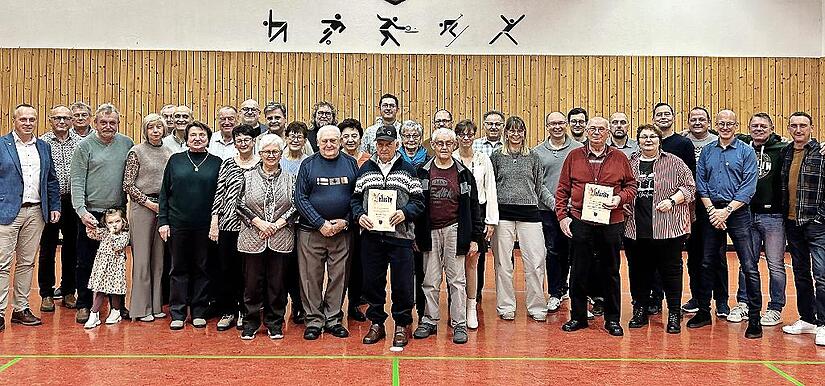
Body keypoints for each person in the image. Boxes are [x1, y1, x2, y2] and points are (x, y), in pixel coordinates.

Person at [556, 117, 637, 337]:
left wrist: (620, 199)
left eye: (601, 129)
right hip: (581, 222)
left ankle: (612, 320)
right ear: (587, 132)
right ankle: (578, 317)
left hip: (612, 222)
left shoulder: (619, 157)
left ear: (608, 132)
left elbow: (631, 186)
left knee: (610, 272)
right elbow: (562, 189)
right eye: (592, 129)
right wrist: (563, 217)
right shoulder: (574, 156)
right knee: (579, 271)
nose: (597, 132)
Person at [687, 109, 763, 340]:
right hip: (712, 211)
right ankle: (703, 311)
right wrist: (712, 211)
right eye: (721, 123)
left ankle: (755, 318)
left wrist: (726, 211)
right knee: (707, 262)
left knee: (749, 265)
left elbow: (749, 186)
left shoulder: (746, 152)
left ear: (736, 126)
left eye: (730, 123)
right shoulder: (708, 151)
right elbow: (701, 183)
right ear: (715, 126)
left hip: (738, 211)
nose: (725, 127)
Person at [352, 125, 424, 348]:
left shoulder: (408, 170)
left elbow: (419, 201)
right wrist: (359, 215)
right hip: (372, 236)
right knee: (372, 282)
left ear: (397, 145)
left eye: (388, 144)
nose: (384, 148)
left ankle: (402, 324)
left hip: (401, 237)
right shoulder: (366, 169)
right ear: (376, 145)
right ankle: (377, 323)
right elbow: (355, 199)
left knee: (402, 283)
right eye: (380, 144)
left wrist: (405, 212)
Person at [412, 128, 483, 344]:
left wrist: (475, 238)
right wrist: (415, 233)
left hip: (455, 230)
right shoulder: (421, 172)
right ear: (432, 146)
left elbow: (474, 207)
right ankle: (429, 320)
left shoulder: (464, 174)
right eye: (439, 143)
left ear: (454, 145)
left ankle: (459, 323)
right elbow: (414, 204)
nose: (444, 147)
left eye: (448, 143)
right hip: (429, 231)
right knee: (430, 280)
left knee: (457, 280)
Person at [623, 125, 695, 334]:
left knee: (671, 272)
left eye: (652, 136)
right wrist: (624, 203)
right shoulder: (630, 163)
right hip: (635, 228)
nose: (648, 140)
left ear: (659, 140)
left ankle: (673, 312)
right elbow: (620, 188)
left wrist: (672, 200)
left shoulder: (674, 162)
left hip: (668, 228)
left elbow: (690, 187)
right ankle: (640, 310)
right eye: (643, 136)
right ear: (638, 140)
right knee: (638, 272)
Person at [70, 103, 134, 324]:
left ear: (118, 123)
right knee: (86, 261)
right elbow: (76, 181)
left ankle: (118, 305)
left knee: (117, 261)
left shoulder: (127, 144)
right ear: (95, 123)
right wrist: (81, 211)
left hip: (117, 214)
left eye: (112, 122)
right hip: (91, 214)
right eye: (103, 122)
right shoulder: (84, 147)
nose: (108, 126)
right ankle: (84, 305)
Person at [294, 125, 359, 340]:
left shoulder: (350, 164)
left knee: (338, 277)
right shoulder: (308, 164)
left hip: (342, 232)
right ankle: (313, 320)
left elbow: (357, 197)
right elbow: (300, 198)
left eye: (333, 140)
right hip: (311, 232)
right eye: (325, 141)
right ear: (318, 143)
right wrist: (320, 222)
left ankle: (332, 319)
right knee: (310, 277)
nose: (329, 145)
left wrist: (346, 222)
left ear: (340, 141)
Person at [0, 104, 61, 331]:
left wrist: (54, 205)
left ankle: (21, 309)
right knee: (2, 264)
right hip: (6, 212)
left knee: (27, 263)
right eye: (23, 119)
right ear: (14, 120)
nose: (28, 123)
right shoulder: (1, 145)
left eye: (32, 119)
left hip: (36, 212)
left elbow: (51, 180)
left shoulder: (43, 147)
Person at [158, 121, 222, 330]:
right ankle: (177, 311)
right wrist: (163, 221)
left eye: (202, 135)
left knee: (202, 268)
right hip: (178, 224)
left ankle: (199, 311)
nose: (197, 138)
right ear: (186, 138)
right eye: (193, 135)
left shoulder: (216, 162)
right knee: (178, 268)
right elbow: (164, 194)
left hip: (205, 226)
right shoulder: (175, 160)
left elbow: (221, 196)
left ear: (208, 139)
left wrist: (216, 222)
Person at [489, 116, 553, 322]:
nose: (516, 135)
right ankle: (506, 306)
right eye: (512, 131)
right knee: (503, 264)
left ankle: (537, 306)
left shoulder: (533, 157)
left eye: (520, 131)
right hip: (503, 216)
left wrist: (556, 205)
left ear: (524, 133)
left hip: (530, 215)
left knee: (535, 262)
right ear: (505, 133)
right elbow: (491, 187)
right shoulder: (496, 157)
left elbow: (539, 187)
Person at [726, 113, 787, 327]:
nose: (759, 129)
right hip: (745, 214)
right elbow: (720, 132)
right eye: (755, 125)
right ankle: (744, 303)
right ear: (748, 128)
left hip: (773, 216)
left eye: (763, 126)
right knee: (746, 263)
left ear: (772, 128)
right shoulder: (742, 145)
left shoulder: (782, 149)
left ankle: (775, 307)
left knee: (775, 264)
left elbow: (805, 145)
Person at [235, 134, 298, 340]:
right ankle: (250, 322)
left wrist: (277, 225)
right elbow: (238, 204)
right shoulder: (247, 177)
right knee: (252, 284)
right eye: (267, 152)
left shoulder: (291, 178)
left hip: (281, 237)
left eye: (275, 152)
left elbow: (297, 205)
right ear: (260, 154)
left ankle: (275, 323)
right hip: (253, 237)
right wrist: (259, 223)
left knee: (277, 284)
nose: (271, 155)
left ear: (281, 154)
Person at [123, 113, 174, 322]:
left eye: (159, 127)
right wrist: (148, 203)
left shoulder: (169, 153)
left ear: (164, 130)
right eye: (151, 127)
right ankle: (141, 308)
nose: (155, 131)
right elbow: (128, 184)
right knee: (142, 258)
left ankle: (155, 305)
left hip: (162, 207)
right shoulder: (136, 152)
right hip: (142, 208)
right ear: (145, 130)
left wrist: (163, 205)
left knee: (159, 259)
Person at [209, 124, 260, 331]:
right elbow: (219, 192)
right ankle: (228, 310)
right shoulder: (228, 164)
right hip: (228, 224)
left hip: (252, 227)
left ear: (253, 141)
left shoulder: (261, 164)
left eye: (247, 139)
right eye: (239, 140)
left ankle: (245, 311)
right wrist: (215, 221)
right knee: (227, 270)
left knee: (248, 272)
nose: (243, 143)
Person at [780, 112, 825, 346]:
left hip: (816, 224)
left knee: (822, 275)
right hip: (792, 223)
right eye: (794, 126)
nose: (798, 130)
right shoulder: (786, 152)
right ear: (788, 129)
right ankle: (807, 318)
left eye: (803, 125)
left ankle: (824, 323)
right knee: (800, 274)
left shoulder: (821, 153)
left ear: (811, 127)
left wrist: (820, 218)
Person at [532, 111, 583, 312]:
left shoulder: (579, 149)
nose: (557, 127)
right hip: (548, 210)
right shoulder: (537, 152)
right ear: (547, 126)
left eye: (561, 123)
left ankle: (573, 290)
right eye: (552, 123)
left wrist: (571, 203)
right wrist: (556, 204)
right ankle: (555, 292)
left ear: (566, 125)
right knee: (553, 251)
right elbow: (538, 183)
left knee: (575, 251)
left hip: (575, 210)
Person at [681, 106, 728, 316]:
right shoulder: (683, 142)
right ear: (688, 122)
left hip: (714, 204)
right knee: (694, 255)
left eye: (702, 119)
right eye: (693, 119)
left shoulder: (718, 141)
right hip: (690, 205)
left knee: (716, 256)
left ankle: (722, 300)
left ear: (709, 122)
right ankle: (698, 297)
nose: (697, 122)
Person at [453, 119, 498, 329]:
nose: (466, 137)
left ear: (474, 136)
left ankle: (472, 305)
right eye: (462, 134)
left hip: (478, 213)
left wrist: (490, 220)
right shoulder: (450, 158)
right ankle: (457, 304)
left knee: (474, 259)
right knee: (455, 261)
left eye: (470, 134)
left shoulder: (483, 159)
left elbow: (490, 190)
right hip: (456, 213)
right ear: (457, 137)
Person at [38, 105, 82, 312]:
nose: (62, 122)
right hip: (49, 201)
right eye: (58, 118)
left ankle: (68, 291)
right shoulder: (41, 143)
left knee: (72, 248)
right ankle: (46, 293)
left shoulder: (81, 143)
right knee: (47, 248)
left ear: (72, 120)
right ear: (50, 120)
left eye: (66, 118)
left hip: (73, 201)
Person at [397, 119, 430, 322]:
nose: (411, 140)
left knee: (423, 271)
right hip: (398, 223)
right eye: (407, 136)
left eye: (415, 136)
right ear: (401, 138)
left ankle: (423, 312)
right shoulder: (394, 159)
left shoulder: (428, 160)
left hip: (422, 221)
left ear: (421, 138)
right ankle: (404, 313)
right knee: (403, 273)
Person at [470, 110, 505, 301]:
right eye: (490, 123)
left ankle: (503, 295)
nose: (493, 127)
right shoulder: (473, 146)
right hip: (478, 206)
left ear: (502, 126)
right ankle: (474, 293)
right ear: (484, 125)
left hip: (503, 206)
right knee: (478, 251)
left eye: (498, 124)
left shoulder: (508, 147)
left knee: (502, 255)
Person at [339, 118, 369, 321]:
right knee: (340, 266)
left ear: (360, 138)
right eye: (346, 136)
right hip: (341, 219)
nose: (350, 140)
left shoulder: (368, 160)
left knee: (358, 264)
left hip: (363, 221)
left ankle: (355, 305)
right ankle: (334, 306)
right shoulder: (334, 158)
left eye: (354, 136)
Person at [83, 208, 130, 329]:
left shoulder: (124, 235)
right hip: (102, 266)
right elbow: (93, 234)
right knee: (99, 290)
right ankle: (94, 313)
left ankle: (116, 311)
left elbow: (117, 246)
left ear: (123, 221)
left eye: (117, 221)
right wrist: (91, 226)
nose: (114, 225)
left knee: (115, 290)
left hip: (115, 268)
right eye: (110, 222)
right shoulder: (105, 233)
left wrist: (113, 233)